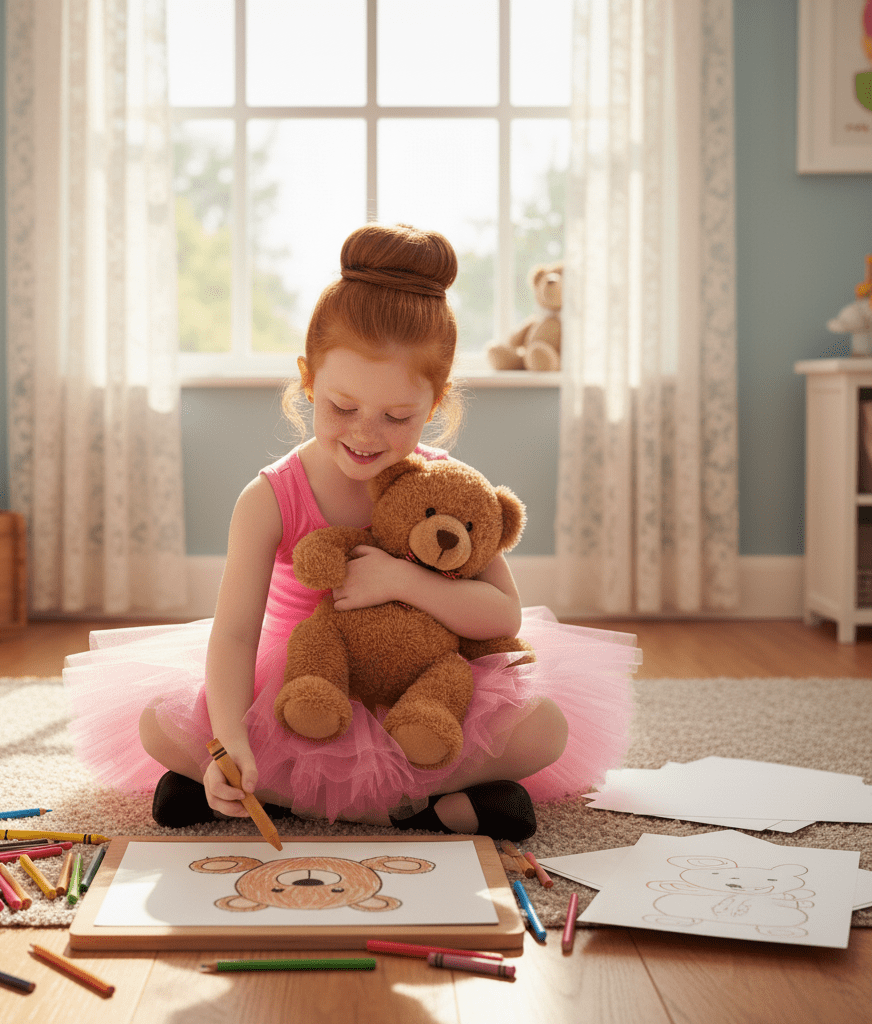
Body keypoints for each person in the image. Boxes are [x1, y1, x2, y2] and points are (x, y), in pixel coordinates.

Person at [64, 223, 640, 842]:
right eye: (342, 408)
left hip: (424, 687)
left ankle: (297, 799)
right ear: (307, 380)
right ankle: (420, 805)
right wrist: (228, 740)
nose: (366, 435)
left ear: (436, 402)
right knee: (159, 724)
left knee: (545, 728)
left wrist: (405, 580)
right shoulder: (270, 497)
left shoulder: (447, 489)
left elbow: (503, 615)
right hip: (304, 689)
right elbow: (234, 634)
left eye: (396, 417)